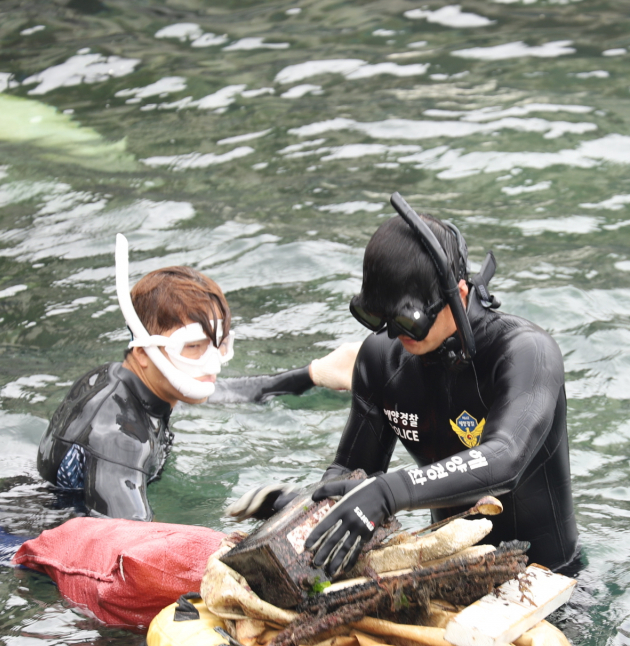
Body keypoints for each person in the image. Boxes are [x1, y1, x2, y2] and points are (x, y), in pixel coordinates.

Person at [233, 194, 580, 574]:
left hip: (549, 580)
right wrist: (302, 511)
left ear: (459, 297)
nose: (395, 336)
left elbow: (504, 459)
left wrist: (390, 491)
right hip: (446, 573)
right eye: (376, 317)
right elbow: (351, 475)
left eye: (408, 322)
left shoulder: (526, 353)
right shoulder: (381, 359)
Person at [35, 234, 358, 522]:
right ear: (144, 352)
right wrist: (257, 526)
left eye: (219, 345)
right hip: (17, 547)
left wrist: (313, 374)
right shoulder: (120, 437)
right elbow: (132, 547)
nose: (212, 362)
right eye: (192, 346)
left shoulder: (130, 380)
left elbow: (226, 391)